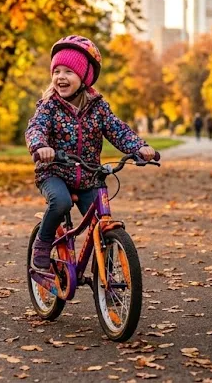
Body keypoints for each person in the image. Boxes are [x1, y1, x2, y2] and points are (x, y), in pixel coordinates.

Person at [25, 35, 157, 270]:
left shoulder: (98, 107)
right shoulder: (49, 106)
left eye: (68, 72)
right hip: (54, 172)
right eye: (57, 71)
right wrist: (40, 146)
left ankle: (104, 269)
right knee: (61, 203)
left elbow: (118, 130)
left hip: (88, 177)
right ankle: (43, 242)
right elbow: (36, 128)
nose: (60, 77)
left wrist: (139, 147)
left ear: (85, 77)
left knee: (101, 222)